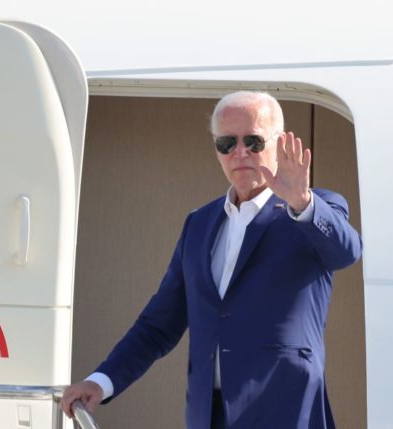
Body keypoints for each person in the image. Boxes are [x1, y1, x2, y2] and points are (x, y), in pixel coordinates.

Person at [61, 91, 362, 428]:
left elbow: (346, 251)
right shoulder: (200, 224)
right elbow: (159, 325)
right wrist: (102, 381)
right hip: (209, 415)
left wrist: (301, 201)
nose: (240, 152)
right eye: (227, 143)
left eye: (253, 140)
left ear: (279, 144)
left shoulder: (312, 208)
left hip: (288, 411)